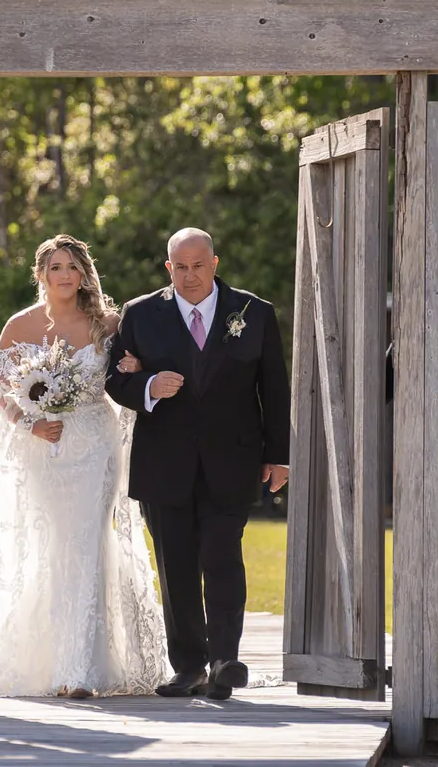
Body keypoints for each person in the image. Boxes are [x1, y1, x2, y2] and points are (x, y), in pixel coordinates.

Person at [0, 235, 168, 697]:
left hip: (95, 446)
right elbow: (3, 395)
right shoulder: (20, 326)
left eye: (72, 266)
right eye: (55, 267)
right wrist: (31, 425)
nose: (65, 274)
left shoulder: (108, 323)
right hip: (46, 452)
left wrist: (131, 364)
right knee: (52, 546)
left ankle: (80, 670)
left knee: (89, 540)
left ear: (84, 273)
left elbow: (125, 376)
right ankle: (49, 660)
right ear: (41, 275)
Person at [105, 228, 290, 701]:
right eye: (180, 267)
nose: (190, 276)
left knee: (222, 556)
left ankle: (225, 660)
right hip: (163, 463)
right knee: (177, 567)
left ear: (215, 263)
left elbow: (274, 389)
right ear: (169, 268)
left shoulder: (254, 312)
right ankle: (188, 667)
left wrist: (279, 456)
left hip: (233, 460)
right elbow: (114, 381)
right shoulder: (140, 314)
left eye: (199, 265)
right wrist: (148, 385)